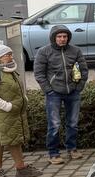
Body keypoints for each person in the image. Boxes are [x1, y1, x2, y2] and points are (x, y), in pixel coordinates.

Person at [33, 25, 86, 165]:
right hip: (54, 93)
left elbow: (84, 69)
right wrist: (48, 90)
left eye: (65, 36)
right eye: (59, 37)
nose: (62, 39)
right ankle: (53, 153)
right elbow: (39, 73)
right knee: (54, 124)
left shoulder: (76, 51)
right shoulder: (44, 52)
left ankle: (72, 149)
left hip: (73, 92)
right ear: (53, 38)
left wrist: (79, 87)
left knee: (73, 123)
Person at [0, 45, 40, 177]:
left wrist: (24, 100)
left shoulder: (9, 70)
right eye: (6, 55)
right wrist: (7, 106)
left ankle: (21, 168)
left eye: (10, 54)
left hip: (14, 113)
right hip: (2, 114)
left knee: (14, 140)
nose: (10, 57)